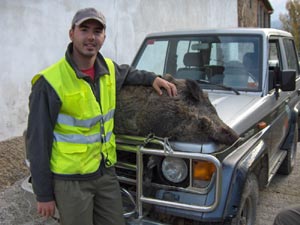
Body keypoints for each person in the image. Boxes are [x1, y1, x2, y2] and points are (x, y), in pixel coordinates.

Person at [26, 7, 177, 225]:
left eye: (97, 31)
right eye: (84, 29)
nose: (91, 37)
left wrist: (152, 78)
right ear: (71, 34)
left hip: (104, 173)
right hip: (71, 181)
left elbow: (128, 73)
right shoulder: (49, 83)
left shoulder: (107, 69)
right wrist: (43, 194)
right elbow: (37, 143)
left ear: (104, 37)